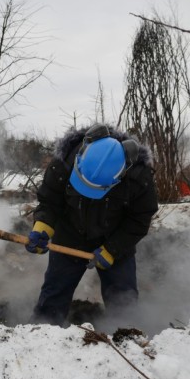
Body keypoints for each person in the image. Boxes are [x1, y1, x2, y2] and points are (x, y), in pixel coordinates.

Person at [25, 123, 158, 327]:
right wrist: (42, 227)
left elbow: (139, 220)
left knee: (124, 299)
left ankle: (127, 340)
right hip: (69, 237)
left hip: (115, 240)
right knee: (54, 294)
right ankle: (41, 334)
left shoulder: (138, 177)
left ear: (119, 176)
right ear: (80, 157)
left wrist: (112, 250)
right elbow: (50, 202)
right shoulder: (63, 163)